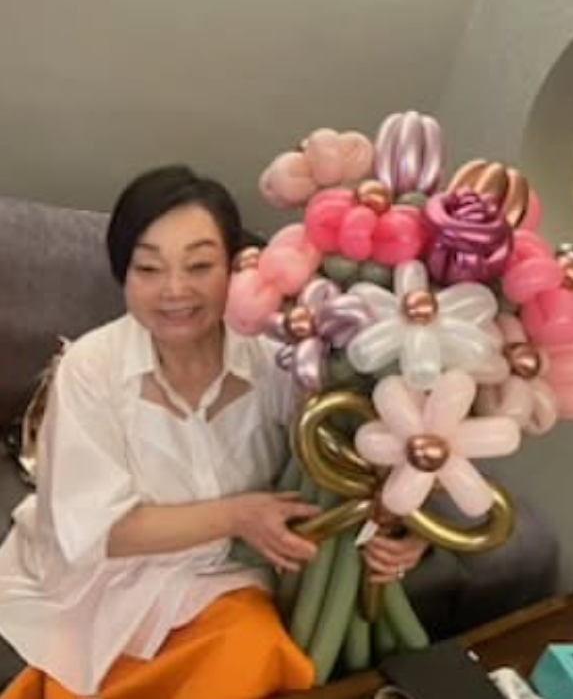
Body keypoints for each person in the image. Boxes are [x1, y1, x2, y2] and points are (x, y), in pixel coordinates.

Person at [0, 165, 428, 699]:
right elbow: (98, 530)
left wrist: (398, 533)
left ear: (236, 269)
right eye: (148, 268)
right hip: (112, 572)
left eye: (199, 265)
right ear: (124, 275)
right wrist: (238, 515)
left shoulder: (278, 355)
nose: (175, 290)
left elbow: (344, 462)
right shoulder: (92, 368)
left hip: (229, 574)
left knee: (249, 647)